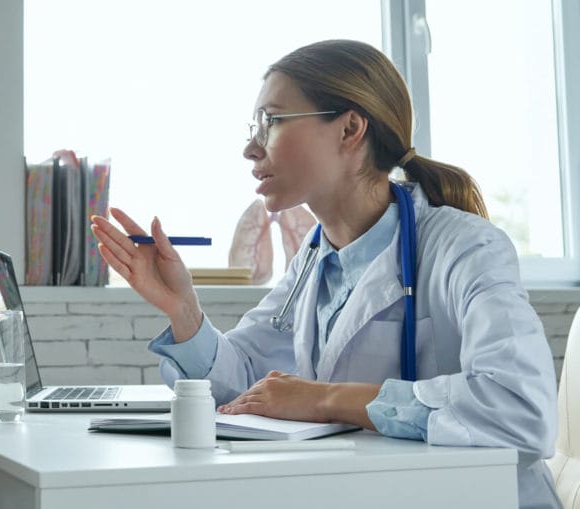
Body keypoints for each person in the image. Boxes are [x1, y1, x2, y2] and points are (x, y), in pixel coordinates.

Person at [91, 39, 559, 508]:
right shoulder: (315, 258)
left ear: (350, 128)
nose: (250, 148)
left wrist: (324, 399)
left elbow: (521, 410)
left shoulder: (465, 247)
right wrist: (183, 309)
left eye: (270, 122)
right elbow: (246, 387)